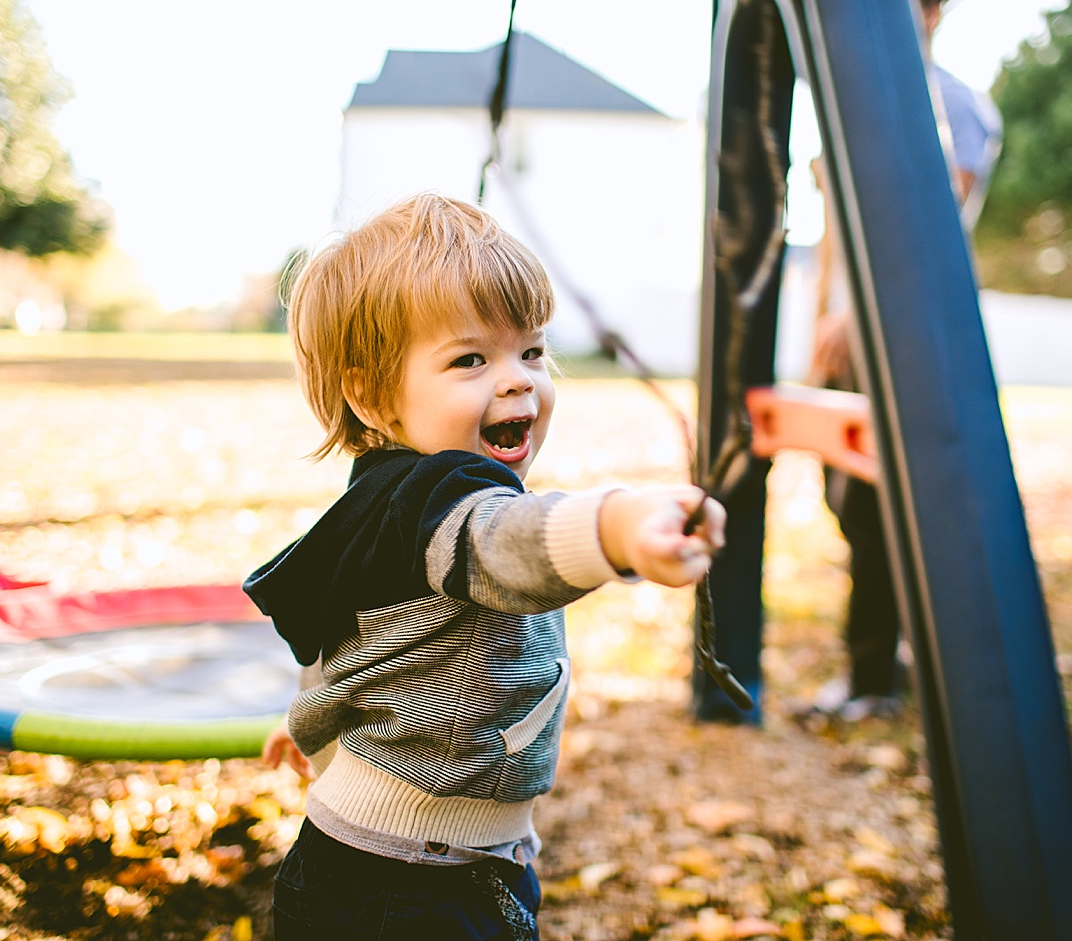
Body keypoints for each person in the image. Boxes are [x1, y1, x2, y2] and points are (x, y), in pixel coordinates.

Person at [244, 193, 725, 940]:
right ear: (371, 394)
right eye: (470, 358)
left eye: (530, 350)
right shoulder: (446, 507)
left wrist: (313, 726)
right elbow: (512, 545)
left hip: (398, 863)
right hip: (406, 889)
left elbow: (350, 639)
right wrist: (616, 524)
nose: (517, 379)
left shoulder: (384, 499)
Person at [802, 0, 1002, 723]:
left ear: (932, 11)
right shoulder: (851, 104)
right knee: (848, 504)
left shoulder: (951, 105)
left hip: (910, 338)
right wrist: (822, 321)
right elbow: (833, 229)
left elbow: (926, 229)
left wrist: (855, 315)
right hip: (848, 334)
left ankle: (875, 675)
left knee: (884, 509)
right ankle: (901, 659)